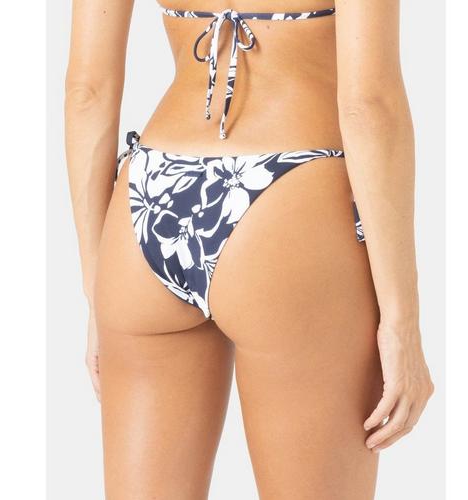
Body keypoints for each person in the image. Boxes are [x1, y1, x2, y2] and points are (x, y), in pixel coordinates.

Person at [64, 1, 435, 498]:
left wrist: (98, 293)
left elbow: (86, 92)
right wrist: (401, 321)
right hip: (292, 197)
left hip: (152, 197)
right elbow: (369, 106)